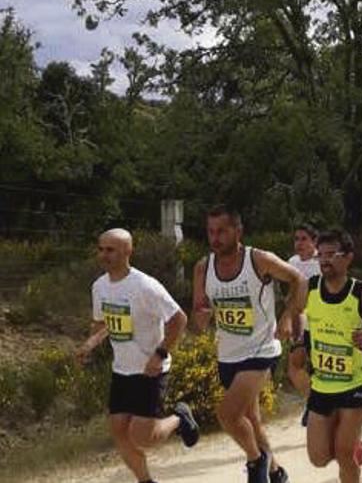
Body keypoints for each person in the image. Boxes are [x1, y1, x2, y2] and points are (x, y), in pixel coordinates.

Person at [192, 205, 307, 483]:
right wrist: (202, 315)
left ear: (238, 231)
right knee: (251, 421)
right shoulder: (203, 267)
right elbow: (199, 316)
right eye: (211, 232)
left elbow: (299, 280)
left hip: (261, 350)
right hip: (228, 353)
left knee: (228, 415)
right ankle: (277, 474)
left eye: (222, 231)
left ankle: (257, 463)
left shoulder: (259, 260)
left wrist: (289, 316)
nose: (215, 238)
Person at [75, 229, 199, 483]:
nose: (104, 255)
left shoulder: (145, 286)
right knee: (120, 432)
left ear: (127, 251)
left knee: (143, 437)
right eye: (101, 249)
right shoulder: (99, 287)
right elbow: (102, 323)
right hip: (122, 370)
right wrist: (90, 344)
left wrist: (160, 353)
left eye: (111, 249)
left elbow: (179, 319)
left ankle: (180, 417)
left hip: (150, 370)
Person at [305, 230, 362, 483]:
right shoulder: (308, 289)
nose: (324, 260)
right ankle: (356, 446)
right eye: (320, 255)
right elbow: (295, 314)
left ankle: (349, 447)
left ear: (348, 258)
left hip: (356, 382)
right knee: (318, 458)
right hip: (321, 384)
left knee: (343, 454)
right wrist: (293, 333)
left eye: (331, 254)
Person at [287, 224, 322, 427]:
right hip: (301, 323)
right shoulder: (292, 263)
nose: (298, 243)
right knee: (294, 367)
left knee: (320, 371)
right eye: (296, 239)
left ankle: (324, 408)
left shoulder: (322, 263)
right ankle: (314, 402)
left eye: (303, 239)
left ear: (314, 242)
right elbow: (291, 294)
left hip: (321, 325)